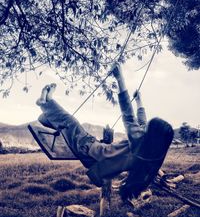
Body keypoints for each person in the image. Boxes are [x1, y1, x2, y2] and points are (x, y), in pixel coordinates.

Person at [36, 65, 174, 201]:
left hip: (90, 152)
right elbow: (142, 123)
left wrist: (120, 79)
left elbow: (129, 117)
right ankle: (47, 106)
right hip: (98, 157)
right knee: (49, 120)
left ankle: (44, 102)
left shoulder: (139, 142)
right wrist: (139, 102)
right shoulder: (150, 154)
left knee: (70, 122)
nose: (146, 127)